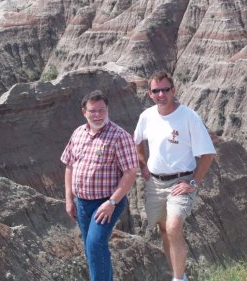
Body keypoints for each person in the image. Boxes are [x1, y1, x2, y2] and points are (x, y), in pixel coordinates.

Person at [134, 71, 216, 281]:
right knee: (164, 230)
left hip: (181, 181)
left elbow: (207, 154)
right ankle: (178, 275)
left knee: (173, 227)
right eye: (156, 90)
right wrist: (142, 165)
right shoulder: (147, 116)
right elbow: (137, 142)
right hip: (155, 182)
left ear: (174, 90)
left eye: (165, 89)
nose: (161, 94)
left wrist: (192, 181)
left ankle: (179, 279)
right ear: (150, 94)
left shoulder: (189, 117)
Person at [61, 89, 139, 281]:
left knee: (96, 245)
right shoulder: (78, 133)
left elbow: (130, 172)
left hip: (106, 203)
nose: (97, 115)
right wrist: (69, 200)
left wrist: (111, 202)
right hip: (82, 204)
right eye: (93, 111)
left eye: (101, 110)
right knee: (91, 250)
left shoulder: (119, 136)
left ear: (108, 110)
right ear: (84, 112)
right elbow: (69, 166)